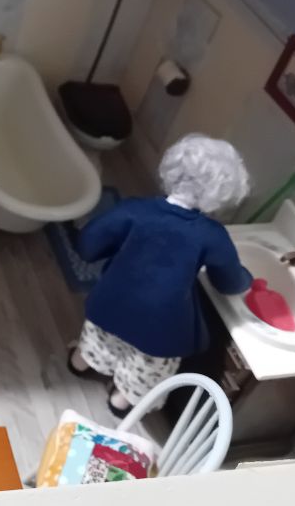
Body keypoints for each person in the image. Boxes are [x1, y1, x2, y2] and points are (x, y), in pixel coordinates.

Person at [67, 134, 253, 417]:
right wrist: (246, 278)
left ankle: (80, 363)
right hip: (161, 329)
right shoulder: (212, 235)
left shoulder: (134, 210)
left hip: (110, 305)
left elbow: (89, 244)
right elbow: (228, 282)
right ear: (222, 192)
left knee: (99, 339)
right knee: (146, 369)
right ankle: (120, 401)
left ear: (172, 169)